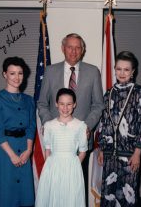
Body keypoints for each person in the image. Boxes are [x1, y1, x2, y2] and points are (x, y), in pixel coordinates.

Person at [37, 33, 105, 204]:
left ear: (82, 50)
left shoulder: (92, 71)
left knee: (75, 188)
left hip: (80, 140)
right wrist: (48, 124)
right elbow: (42, 103)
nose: (73, 51)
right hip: (56, 142)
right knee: (55, 188)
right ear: (63, 49)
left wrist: (86, 127)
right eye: (70, 47)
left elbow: (98, 105)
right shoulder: (50, 71)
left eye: (77, 47)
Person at [97, 51, 141, 207]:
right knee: (108, 197)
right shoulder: (108, 93)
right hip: (109, 154)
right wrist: (101, 148)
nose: (122, 73)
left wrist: (138, 152)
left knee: (127, 197)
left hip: (130, 155)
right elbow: (104, 123)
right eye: (119, 69)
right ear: (114, 69)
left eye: (126, 69)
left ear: (133, 72)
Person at [0, 56, 36, 207]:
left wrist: (28, 150)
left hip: (24, 149)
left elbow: (31, 126)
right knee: (6, 194)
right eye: (12, 73)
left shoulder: (29, 100)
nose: (17, 77)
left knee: (24, 194)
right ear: (5, 74)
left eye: (20, 73)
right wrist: (12, 155)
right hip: (5, 151)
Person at [35, 88, 88, 207]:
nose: (65, 108)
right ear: (56, 104)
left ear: (74, 104)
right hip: (53, 167)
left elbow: (83, 151)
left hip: (72, 167)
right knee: (54, 195)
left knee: (71, 197)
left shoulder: (80, 126)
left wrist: (74, 165)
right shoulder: (49, 125)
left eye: (69, 104)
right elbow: (47, 149)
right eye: (62, 104)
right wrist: (49, 166)